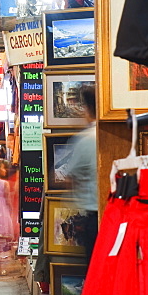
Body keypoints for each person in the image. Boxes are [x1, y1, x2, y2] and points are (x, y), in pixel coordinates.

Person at [56, 86, 99, 257]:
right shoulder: (124, 133)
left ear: (87, 109)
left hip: (94, 219)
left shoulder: (85, 140)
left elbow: (62, 175)